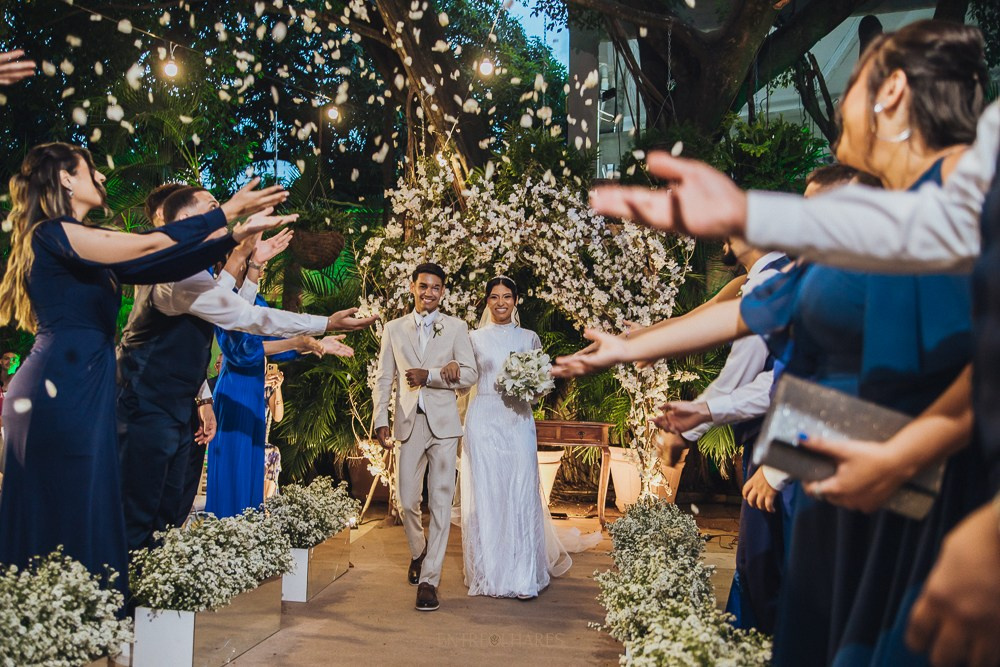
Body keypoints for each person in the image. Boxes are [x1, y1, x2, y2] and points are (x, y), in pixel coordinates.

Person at [558, 21, 990, 665]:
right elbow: (746, 310)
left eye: (851, 86)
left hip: (906, 490)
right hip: (836, 473)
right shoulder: (879, 228)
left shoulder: (960, 203)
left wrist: (924, 480)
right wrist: (627, 346)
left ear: (894, 91)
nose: (839, 104)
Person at [0, 142, 287, 604]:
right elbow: (153, 243)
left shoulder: (86, 238)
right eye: (88, 168)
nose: (101, 176)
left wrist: (237, 240)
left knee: (91, 512)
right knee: (58, 515)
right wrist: (228, 212)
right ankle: (44, 625)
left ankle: (84, 626)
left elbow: (167, 260)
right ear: (66, 179)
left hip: (89, 387)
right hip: (58, 388)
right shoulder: (56, 233)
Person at [116, 185, 370, 551]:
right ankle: (126, 600)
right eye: (213, 206)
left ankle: (156, 598)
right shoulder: (173, 270)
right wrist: (323, 323)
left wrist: (251, 262)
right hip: (144, 406)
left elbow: (231, 306)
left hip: (174, 406)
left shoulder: (193, 272)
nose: (223, 212)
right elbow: (245, 318)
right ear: (187, 220)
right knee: (141, 520)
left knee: (169, 514)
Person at [460, 276, 584, 600]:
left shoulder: (530, 338)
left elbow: (543, 387)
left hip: (518, 421)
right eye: (494, 297)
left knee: (520, 491)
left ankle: (524, 575)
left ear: (516, 300)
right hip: (483, 419)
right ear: (486, 301)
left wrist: (531, 386)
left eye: (507, 297)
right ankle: (491, 573)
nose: (500, 302)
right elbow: (464, 383)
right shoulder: (472, 338)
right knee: (487, 495)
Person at [372, 262, 478, 612]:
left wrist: (432, 374)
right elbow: (385, 378)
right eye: (423, 286)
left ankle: (430, 581)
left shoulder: (457, 328)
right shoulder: (394, 329)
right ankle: (420, 551)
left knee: (442, 501)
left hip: (445, 425)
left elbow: (470, 373)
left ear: (443, 292)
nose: (428, 292)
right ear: (413, 287)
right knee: (406, 499)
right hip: (407, 422)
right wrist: (380, 419)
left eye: (435, 287)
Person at [263, 365, 284, 500]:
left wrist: (277, 387)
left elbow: (278, 416)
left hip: (258, 442)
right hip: (239, 439)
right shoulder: (241, 385)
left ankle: (265, 503)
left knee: (273, 452)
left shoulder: (266, 389)